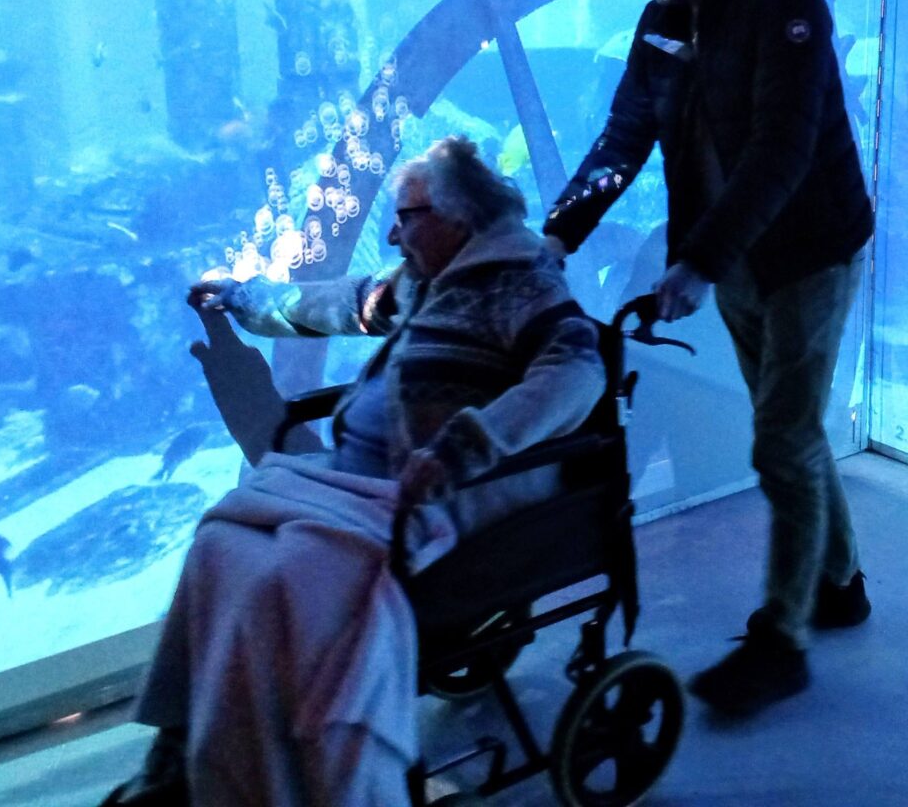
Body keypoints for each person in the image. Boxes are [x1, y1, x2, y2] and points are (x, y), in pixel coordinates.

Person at [103, 136, 605, 806]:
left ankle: (271, 776)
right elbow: (340, 302)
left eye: (406, 217)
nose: (393, 235)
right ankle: (185, 752)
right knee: (221, 545)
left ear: (457, 215)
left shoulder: (521, 281)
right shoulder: (426, 280)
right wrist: (246, 297)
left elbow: (578, 370)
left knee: (279, 580)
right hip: (359, 487)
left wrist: (467, 447)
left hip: (443, 500)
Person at [541, 0, 874, 717]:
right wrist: (554, 237)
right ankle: (839, 586)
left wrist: (696, 264)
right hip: (737, 263)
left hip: (809, 256)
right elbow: (621, 143)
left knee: (781, 439)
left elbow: (781, 153)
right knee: (790, 432)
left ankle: (784, 641)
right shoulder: (660, 24)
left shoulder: (788, 6)